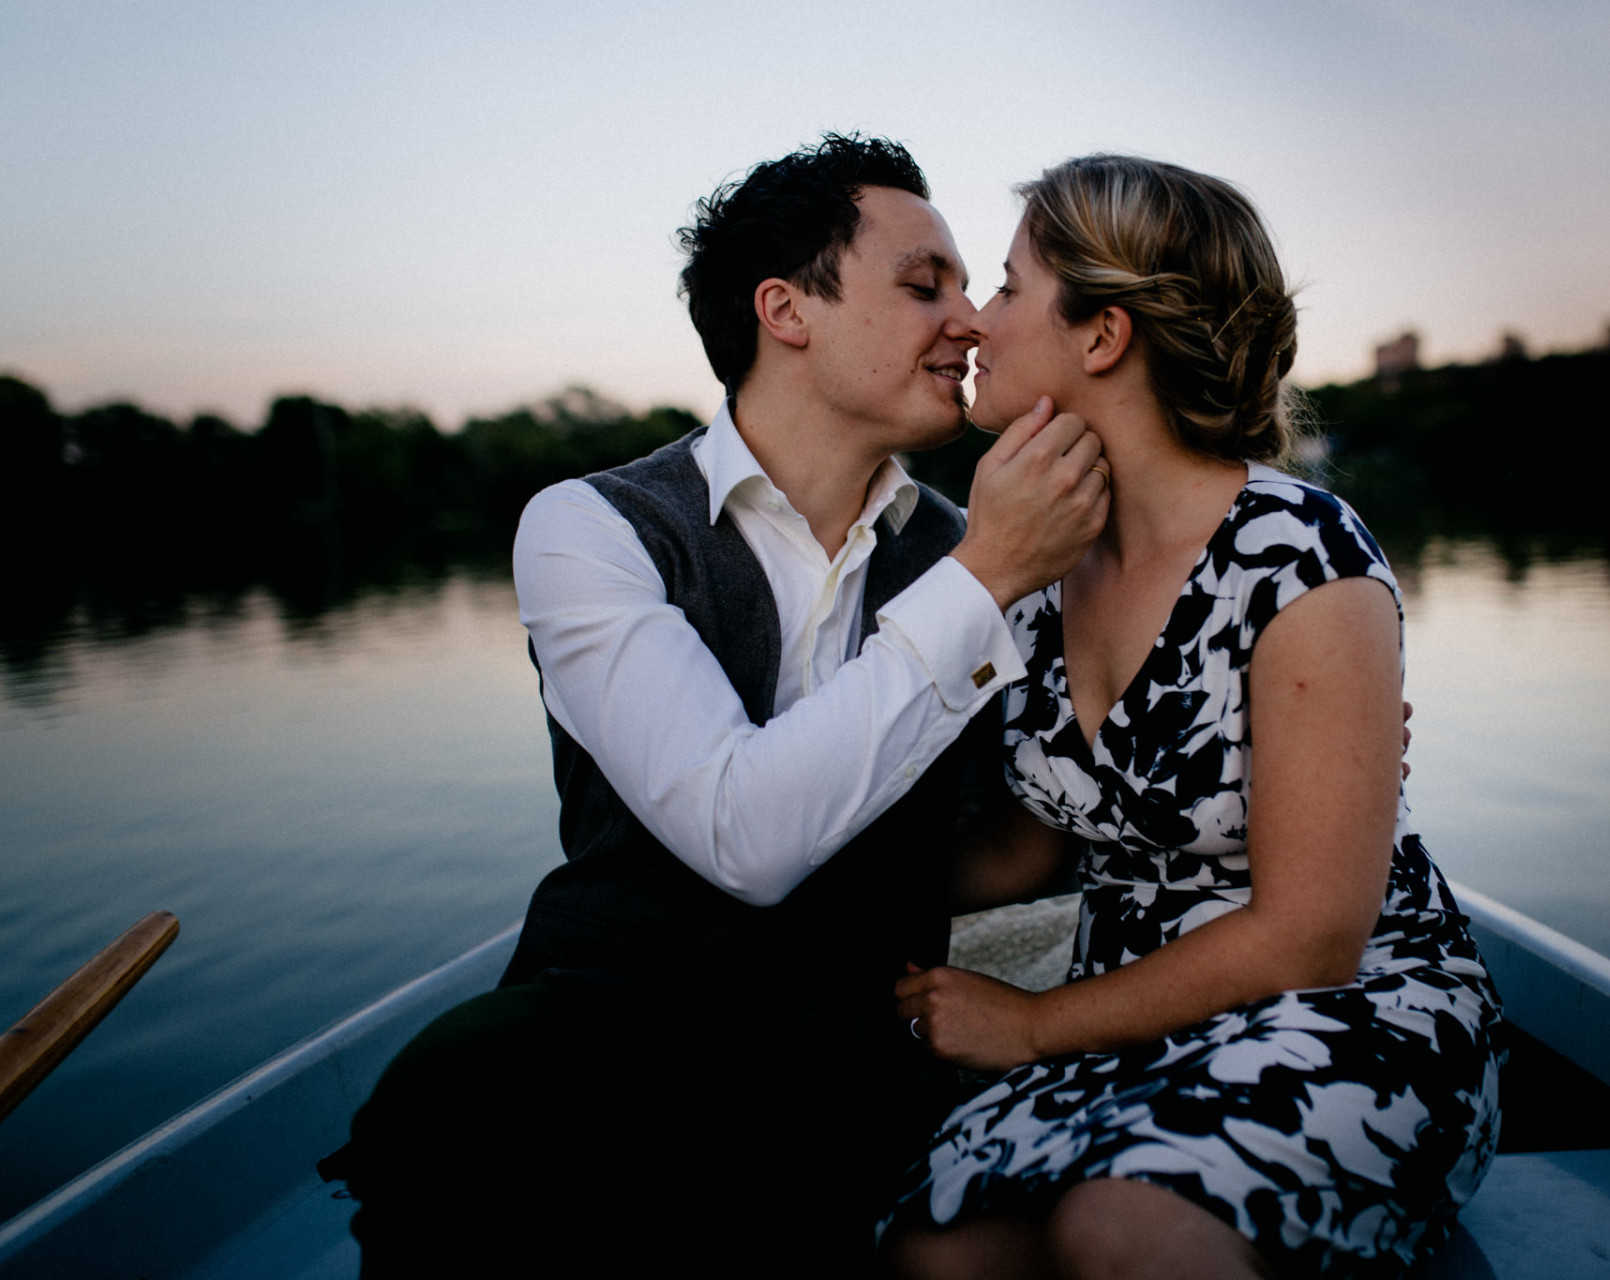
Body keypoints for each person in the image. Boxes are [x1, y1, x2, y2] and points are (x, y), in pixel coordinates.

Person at [342, 135, 1110, 1277]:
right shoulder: (592, 528)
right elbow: (741, 835)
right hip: (613, 1011)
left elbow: (1007, 846)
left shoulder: (976, 551)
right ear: (786, 309)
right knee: (456, 1088)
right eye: (923, 286)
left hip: (853, 1030)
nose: (973, 322)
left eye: (970, 287)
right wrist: (989, 579)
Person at [884, 156, 1503, 1278]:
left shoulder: (1299, 554)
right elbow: (1025, 847)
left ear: (1104, 336)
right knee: (947, 1257)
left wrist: (1024, 1027)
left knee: (1123, 1230)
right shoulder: (1033, 565)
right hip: (1132, 1015)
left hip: (1344, 1004)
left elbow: (1313, 932)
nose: (977, 319)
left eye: (1013, 286)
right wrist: (796, 877)